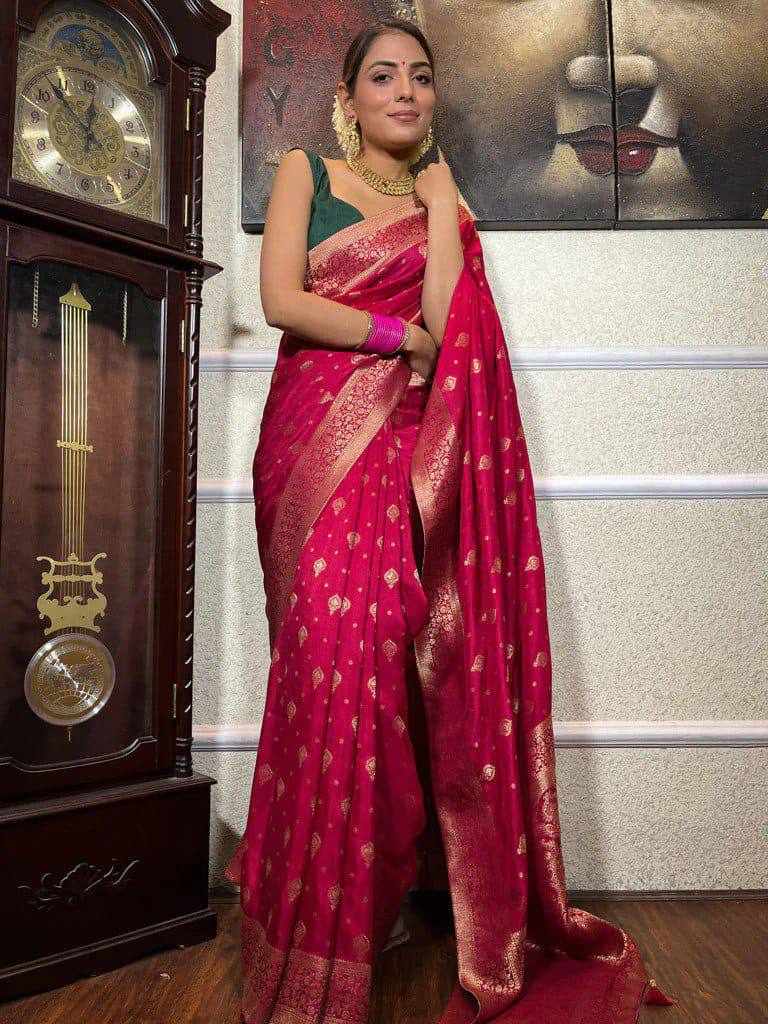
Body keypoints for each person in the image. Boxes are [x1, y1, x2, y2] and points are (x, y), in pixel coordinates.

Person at [224, 18, 675, 1024]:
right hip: (312, 445)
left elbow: (446, 323)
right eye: (383, 76)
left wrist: (436, 207)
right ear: (347, 98)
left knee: (388, 662)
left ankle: (368, 897)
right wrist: (392, 333)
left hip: (405, 448)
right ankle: (310, 913)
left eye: (420, 77)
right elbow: (284, 299)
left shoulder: (442, 202)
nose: (404, 91)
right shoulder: (305, 171)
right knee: (326, 658)